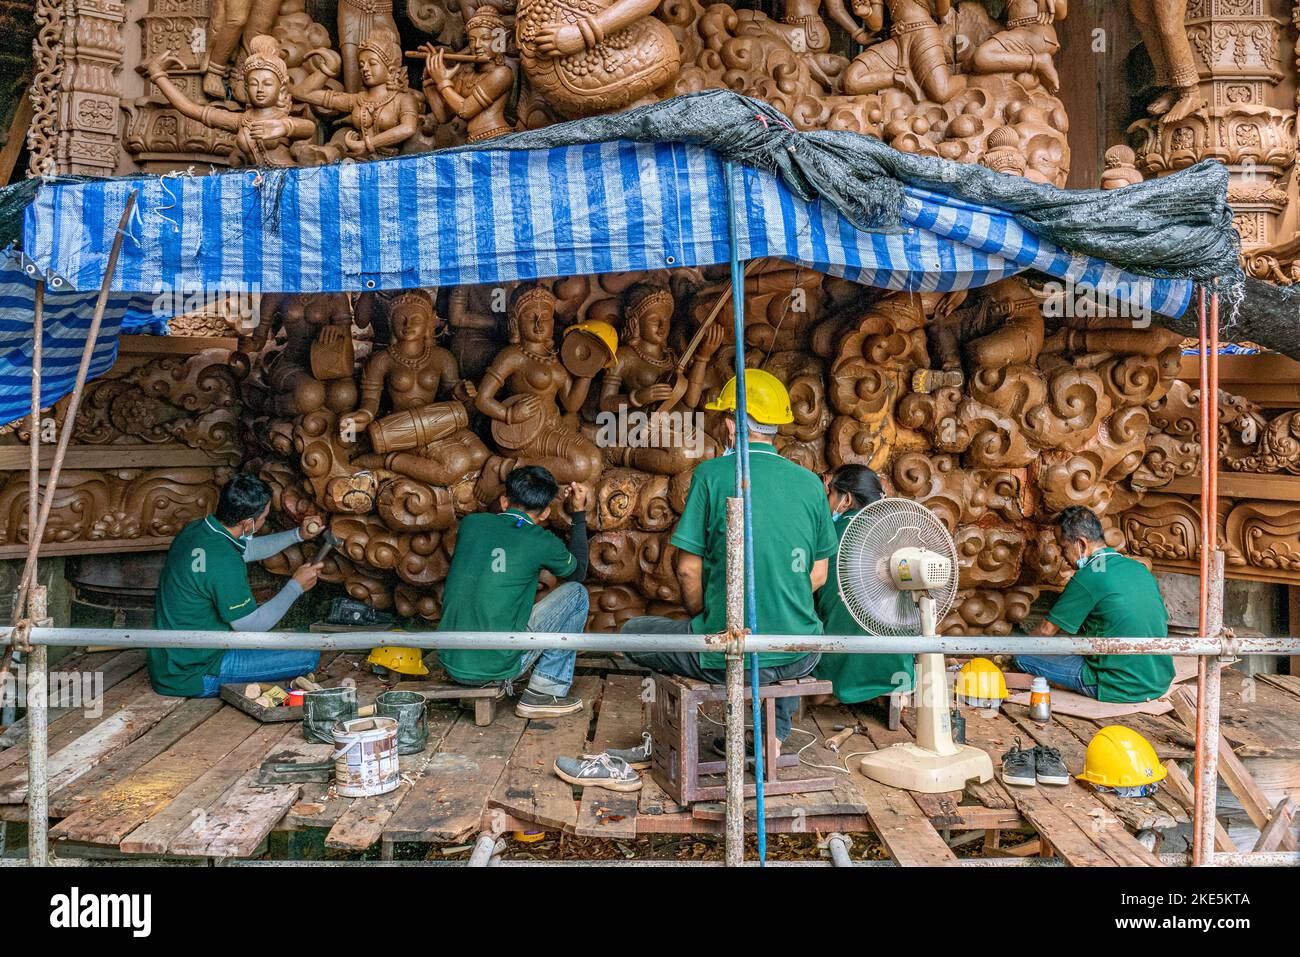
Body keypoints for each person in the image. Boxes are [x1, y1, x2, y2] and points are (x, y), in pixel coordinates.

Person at [592, 370, 835, 786]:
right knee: (777, 640)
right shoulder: (812, 483)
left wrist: (704, 615)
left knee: (633, 631)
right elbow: (818, 573)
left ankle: (666, 740)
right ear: (775, 428)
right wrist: (779, 598)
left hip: (728, 652)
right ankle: (771, 741)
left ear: (729, 426)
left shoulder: (711, 475)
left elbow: (687, 568)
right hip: (800, 650)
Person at [149, 474, 324, 698]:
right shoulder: (223, 561)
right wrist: (296, 586)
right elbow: (252, 626)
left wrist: (298, 535)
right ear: (247, 523)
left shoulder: (197, 531)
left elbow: (247, 549)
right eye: (264, 518)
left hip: (170, 663)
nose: (263, 522)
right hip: (197, 672)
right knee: (309, 654)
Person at [438, 465, 591, 718]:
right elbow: (578, 572)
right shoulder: (541, 541)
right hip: (496, 665)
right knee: (576, 594)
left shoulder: (471, 524)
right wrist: (578, 513)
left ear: (504, 500)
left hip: (451, 661)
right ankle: (545, 692)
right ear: (545, 514)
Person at [1015, 505, 1173, 702]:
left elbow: (1046, 631)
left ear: (1081, 544)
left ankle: (1071, 683)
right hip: (1157, 681)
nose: (1063, 556)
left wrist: (1014, 648)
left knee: (1023, 656)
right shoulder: (1137, 567)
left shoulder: (1089, 576)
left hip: (1117, 686)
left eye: (1063, 547)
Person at [812, 465, 915, 705]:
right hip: (896, 666)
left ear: (845, 499)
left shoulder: (828, 533)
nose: (827, 501)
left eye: (830, 494)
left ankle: (834, 687)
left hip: (840, 663)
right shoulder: (900, 534)